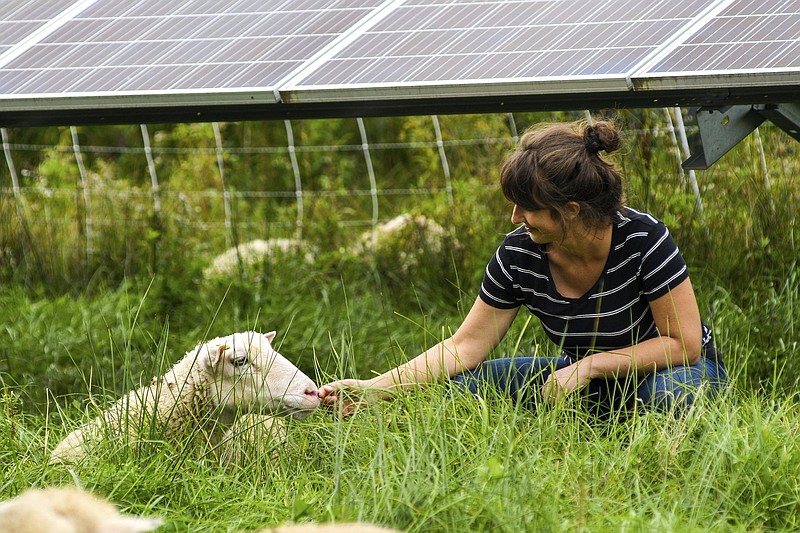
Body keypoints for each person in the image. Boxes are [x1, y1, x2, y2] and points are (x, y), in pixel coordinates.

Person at [319, 119, 727, 416]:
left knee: (672, 396)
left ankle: (637, 434)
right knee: (469, 386)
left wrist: (590, 365)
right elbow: (464, 347)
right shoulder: (519, 254)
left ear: (570, 210)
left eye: (527, 207)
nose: (515, 217)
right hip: (584, 380)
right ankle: (599, 418)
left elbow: (683, 344)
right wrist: (375, 388)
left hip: (675, 372)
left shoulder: (642, 237)